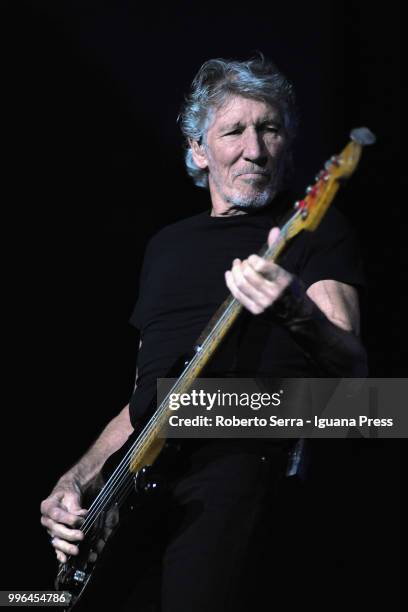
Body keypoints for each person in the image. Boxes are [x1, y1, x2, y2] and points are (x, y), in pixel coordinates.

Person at [40, 56, 367, 610]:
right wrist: (77, 479)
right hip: (136, 492)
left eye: (270, 128)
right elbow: (147, 398)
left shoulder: (316, 230)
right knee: (27, 602)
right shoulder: (165, 246)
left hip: (239, 467)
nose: (255, 149)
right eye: (234, 130)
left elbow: (359, 387)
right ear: (198, 150)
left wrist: (292, 311)